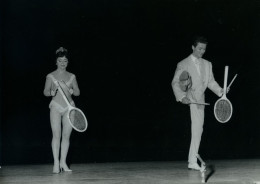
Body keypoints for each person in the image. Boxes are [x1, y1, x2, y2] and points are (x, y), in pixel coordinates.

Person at [171, 36, 223, 171]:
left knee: (198, 129)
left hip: (201, 100)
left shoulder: (208, 64)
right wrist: (182, 97)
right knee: (197, 129)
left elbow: (211, 82)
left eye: (204, 49)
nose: (202, 51)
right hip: (190, 98)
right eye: (199, 48)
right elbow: (176, 82)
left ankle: (192, 160)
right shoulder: (183, 64)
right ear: (193, 47)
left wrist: (221, 91)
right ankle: (192, 161)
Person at [43, 47, 80, 173]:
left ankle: (63, 163)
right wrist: (51, 92)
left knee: (66, 136)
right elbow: (45, 92)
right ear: (56, 62)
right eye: (60, 60)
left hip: (70, 107)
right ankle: (56, 163)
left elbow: (78, 92)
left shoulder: (72, 76)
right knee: (56, 135)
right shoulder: (50, 76)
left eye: (65, 61)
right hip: (56, 107)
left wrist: (72, 91)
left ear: (67, 62)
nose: (62, 63)